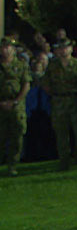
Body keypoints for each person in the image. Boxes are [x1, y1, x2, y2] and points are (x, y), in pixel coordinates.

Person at [41, 37, 77, 170]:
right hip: (59, 102)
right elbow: (46, 83)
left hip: (75, 101)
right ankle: (64, 161)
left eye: (65, 48)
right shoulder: (53, 65)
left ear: (71, 49)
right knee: (61, 133)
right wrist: (55, 94)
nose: (63, 50)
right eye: (60, 48)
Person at [0, 36, 31, 176]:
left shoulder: (21, 65)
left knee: (17, 136)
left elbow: (26, 84)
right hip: (1, 104)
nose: (6, 50)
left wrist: (16, 101)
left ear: (13, 49)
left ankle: (12, 165)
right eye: (3, 48)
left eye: (8, 47)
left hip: (16, 105)